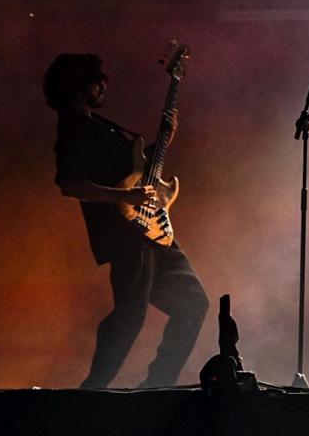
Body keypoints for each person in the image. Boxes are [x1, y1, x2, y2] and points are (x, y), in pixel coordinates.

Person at [44, 53, 208, 388]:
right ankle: (94, 388)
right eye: (96, 81)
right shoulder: (74, 128)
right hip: (125, 233)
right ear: (77, 87)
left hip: (153, 228)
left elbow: (133, 171)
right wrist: (126, 198)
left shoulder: (100, 127)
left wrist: (165, 139)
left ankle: (157, 385)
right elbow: (69, 184)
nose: (103, 86)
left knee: (192, 302)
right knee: (130, 315)